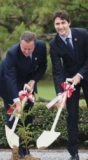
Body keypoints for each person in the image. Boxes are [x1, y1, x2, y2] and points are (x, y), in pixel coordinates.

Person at [0, 31, 47, 159]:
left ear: (35, 45)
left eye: (30, 49)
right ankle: (16, 152)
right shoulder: (12, 53)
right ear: (20, 43)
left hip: (27, 84)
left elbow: (43, 66)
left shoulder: (41, 47)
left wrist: (34, 79)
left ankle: (26, 151)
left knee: (27, 116)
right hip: (7, 84)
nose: (27, 51)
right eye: (24, 48)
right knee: (13, 118)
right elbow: (10, 78)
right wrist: (16, 101)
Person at [49, 10, 88, 160]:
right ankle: (74, 153)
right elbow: (57, 70)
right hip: (69, 82)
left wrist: (80, 75)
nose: (60, 26)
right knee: (72, 116)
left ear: (69, 23)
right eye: (57, 24)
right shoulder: (54, 44)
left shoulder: (83, 34)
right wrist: (60, 93)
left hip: (86, 73)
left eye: (63, 23)